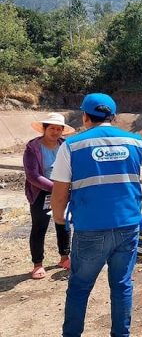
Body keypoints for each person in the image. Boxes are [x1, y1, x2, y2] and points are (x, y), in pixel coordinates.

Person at [51, 93, 142, 337]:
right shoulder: (135, 141)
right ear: (113, 117)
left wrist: (59, 219)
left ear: (85, 117)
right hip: (127, 227)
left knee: (80, 287)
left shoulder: (72, 146)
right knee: (122, 286)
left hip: (90, 229)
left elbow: (60, 192)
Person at [23, 112, 75, 279]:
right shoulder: (33, 148)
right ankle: (37, 264)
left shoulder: (66, 146)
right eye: (52, 128)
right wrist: (57, 188)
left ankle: (64, 258)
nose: (55, 132)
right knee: (40, 226)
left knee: (63, 224)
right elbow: (33, 175)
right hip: (41, 192)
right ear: (44, 129)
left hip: (63, 190)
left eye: (59, 129)